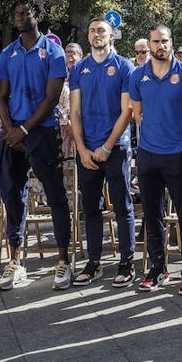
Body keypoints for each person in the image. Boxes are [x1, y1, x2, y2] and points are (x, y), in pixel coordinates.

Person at [0, 0, 72, 290]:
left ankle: (63, 261)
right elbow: (1, 95)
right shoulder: (9, 53)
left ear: (37, 15)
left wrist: (23, 130)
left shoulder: (53, 52)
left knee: (55, 196)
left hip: (40, 131)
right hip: (13, 132)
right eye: (17, 12)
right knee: (13, 196)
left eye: (25, 12)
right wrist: (10, 128)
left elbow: (51, 99)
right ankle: (16, 260)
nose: (19, 17)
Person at [128, 24, 182, 292]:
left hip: (177, 153)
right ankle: (157, 268)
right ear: (148, 45)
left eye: (165, 41)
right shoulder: (138, 76)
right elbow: (137, 114)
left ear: (172, 42)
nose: (160, 46)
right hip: (148, 155)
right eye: (155, 41)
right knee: (151, 215)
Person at [68, 18, 137, 287]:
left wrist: (107, 146)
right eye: (92, 31)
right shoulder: (79, 69)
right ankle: (94, 262)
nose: (97, 35)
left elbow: (127, 111)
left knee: (123, 206)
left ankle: (126, 261)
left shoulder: (123, 67)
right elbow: (74, 112)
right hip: (87, 149)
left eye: (101, 31)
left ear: (112, 36)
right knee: (91, 208)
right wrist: (82, 149)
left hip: (116, 147)